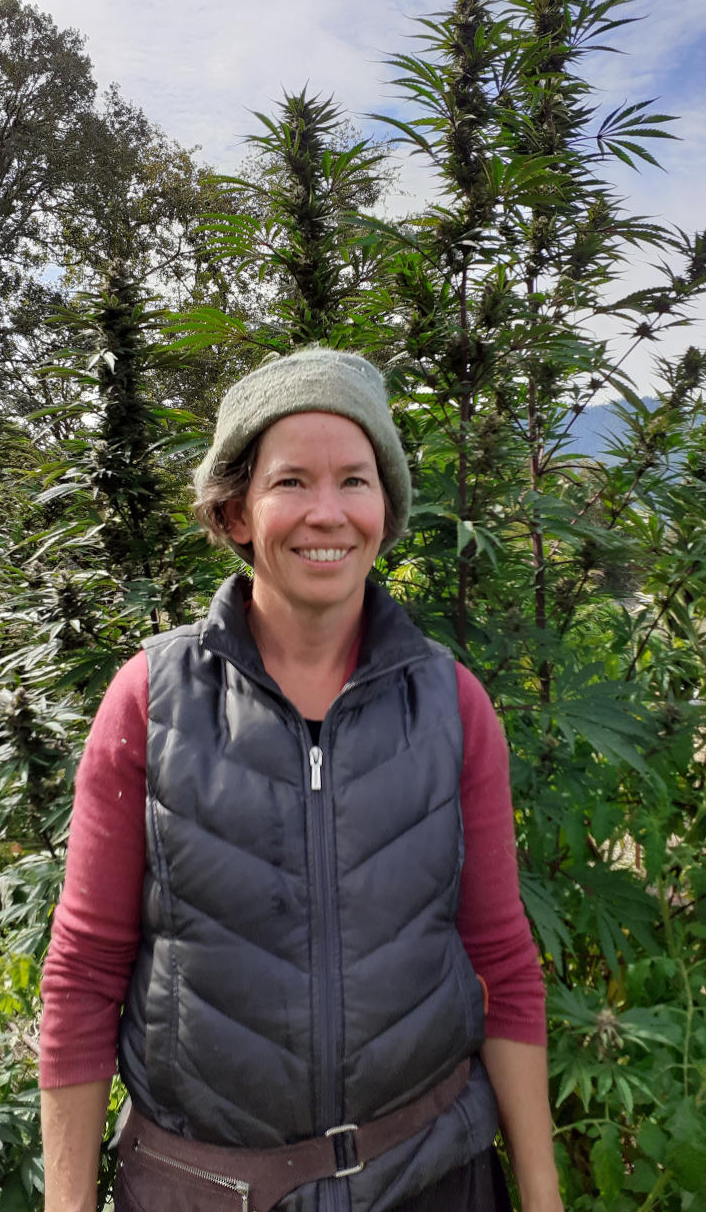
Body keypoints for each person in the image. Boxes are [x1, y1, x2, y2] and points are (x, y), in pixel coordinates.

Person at [39, 347, 564, 1212]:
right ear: (237, 511)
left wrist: (542, 1199)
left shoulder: (450, 704)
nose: (328, 513)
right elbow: (85, 972)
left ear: (384, 507)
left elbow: (502, 964)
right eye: (291, 482)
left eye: (355, 480)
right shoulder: (150, 700)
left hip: (433, 1181)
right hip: (201, 1191)